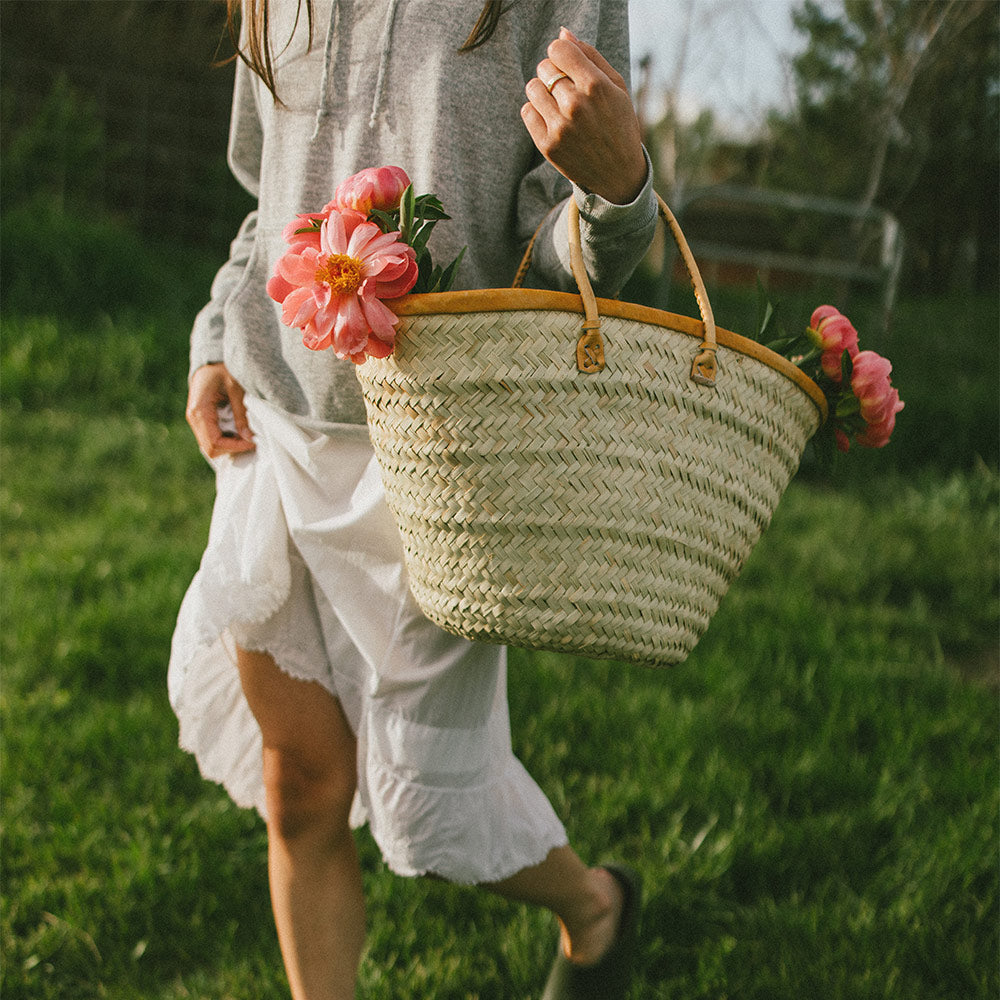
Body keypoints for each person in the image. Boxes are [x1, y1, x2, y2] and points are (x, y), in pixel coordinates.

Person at [168, 2, 657, 997]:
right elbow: (266, 200)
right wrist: (219, 338)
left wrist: (621, 194)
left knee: (430, 813)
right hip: (277, 426)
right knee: (299, 783)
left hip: (440, 447)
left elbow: (553, 248)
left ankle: (593, 904)